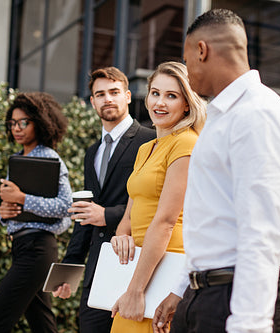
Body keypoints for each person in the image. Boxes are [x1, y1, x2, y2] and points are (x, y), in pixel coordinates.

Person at [153, 9, 280, 333]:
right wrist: (182, 288)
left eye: (186, 58)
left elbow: (260, 232)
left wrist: (249, 327)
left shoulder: (258, 115)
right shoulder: (222, 117)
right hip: (206, 294)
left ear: (201, 50)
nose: (187, 71)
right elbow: (212, 221)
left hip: (236, 300)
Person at [103, 61, 206, 333]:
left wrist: (136, 291)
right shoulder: (145, 148)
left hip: (164, 265)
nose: (160, 102)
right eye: (155, 93)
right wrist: (121, 235)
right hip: (136, 264)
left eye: (171, 96)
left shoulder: (187, 143)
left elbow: (165, 222)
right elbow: (130, 209)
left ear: (187, 103)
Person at [52, 67, 155, 332]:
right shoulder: (92, 152)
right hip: (97, 271)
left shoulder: (150, 141)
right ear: (92, 102)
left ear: (128, 96)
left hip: (136, 264)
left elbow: (156, 203)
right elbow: (85, 213)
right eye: (100, 94)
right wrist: (69, 269)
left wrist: (106, 215)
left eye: (114, 92)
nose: (107, 99)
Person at [0, 92, 72, 333]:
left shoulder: (50, 158)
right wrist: (5, 211)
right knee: (42, 324)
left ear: (39, 122)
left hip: (38, 249)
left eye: (23, 122)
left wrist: (22, 198)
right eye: (12, 124)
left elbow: (66, 206)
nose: (17, 129)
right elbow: (13, 213)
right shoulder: (19, 159)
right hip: (23, 247)